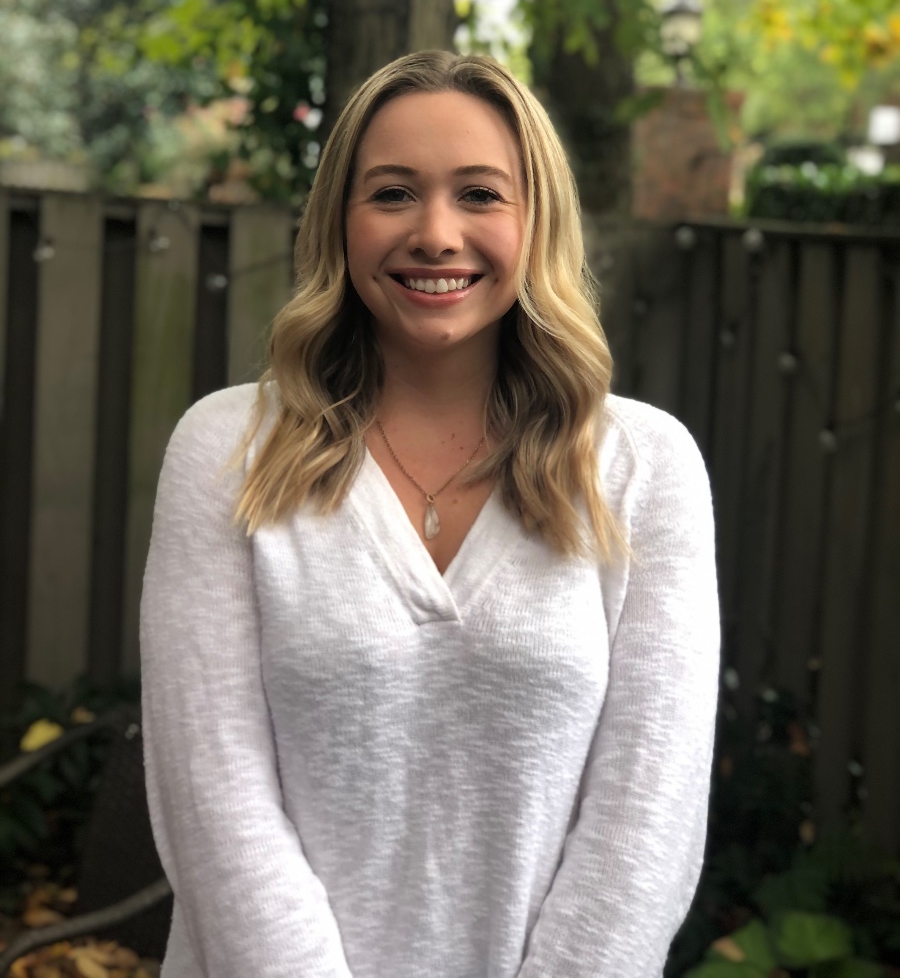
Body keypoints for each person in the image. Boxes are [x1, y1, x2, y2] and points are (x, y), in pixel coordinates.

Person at [140, 50, 720, 978]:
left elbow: (648, 823)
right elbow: (212, 802)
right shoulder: (227, 450)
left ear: (539, 221)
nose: (436, 234)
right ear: (340, 221)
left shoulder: (644, 469)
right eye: (393, 193)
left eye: (481, 194)